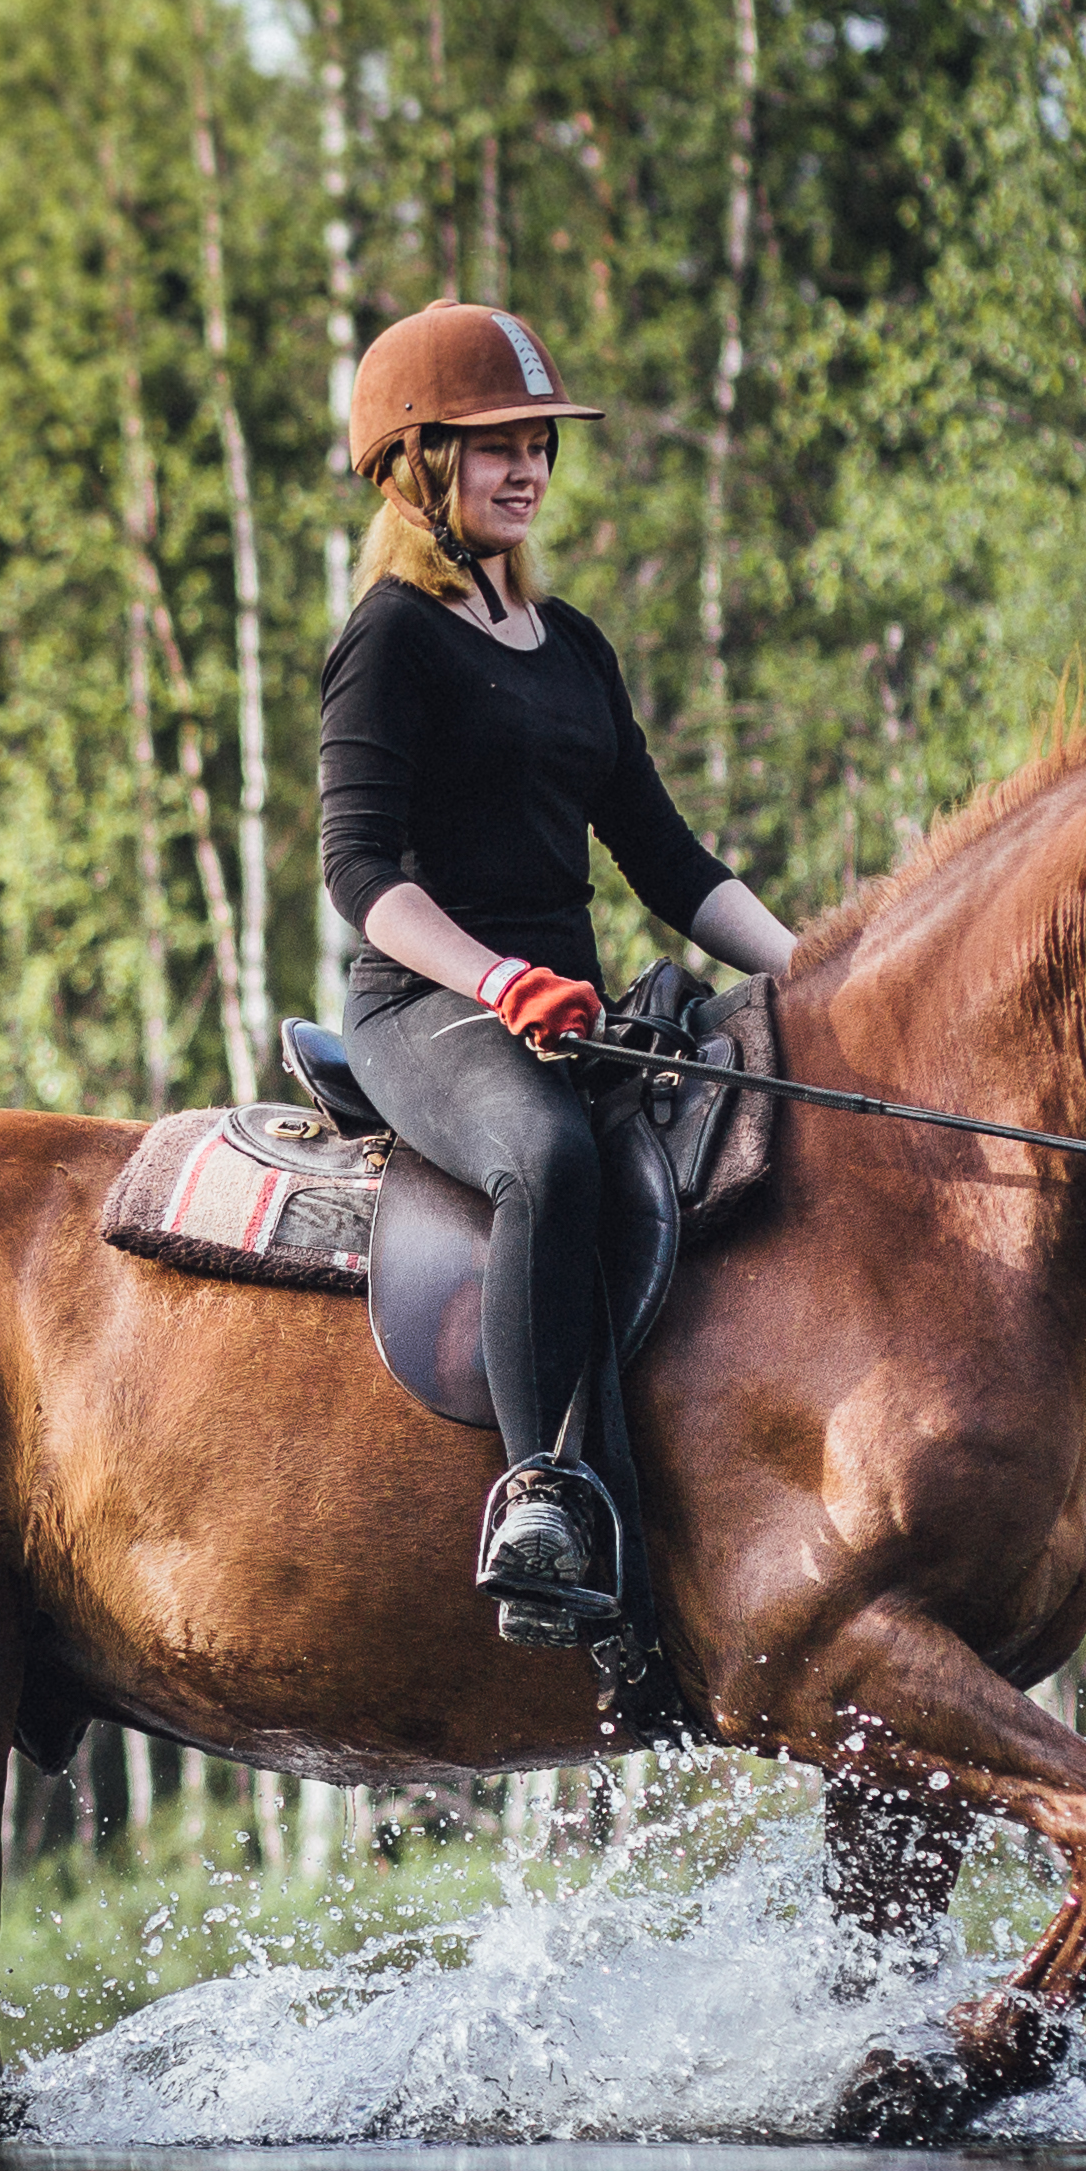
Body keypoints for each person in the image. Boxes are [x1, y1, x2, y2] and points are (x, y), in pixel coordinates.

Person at [313, 300, 798, 1617]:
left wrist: (817, 972)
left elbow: (669, 864)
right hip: (427, 1004)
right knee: (550, 1153)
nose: (524, 465)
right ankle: (540, 1499)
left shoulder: (573, 645)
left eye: (535, 440)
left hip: (566, 1007)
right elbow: (360, 876)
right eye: (487, 444)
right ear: (415, 467)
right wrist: (496, 981)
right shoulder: (388, 640)